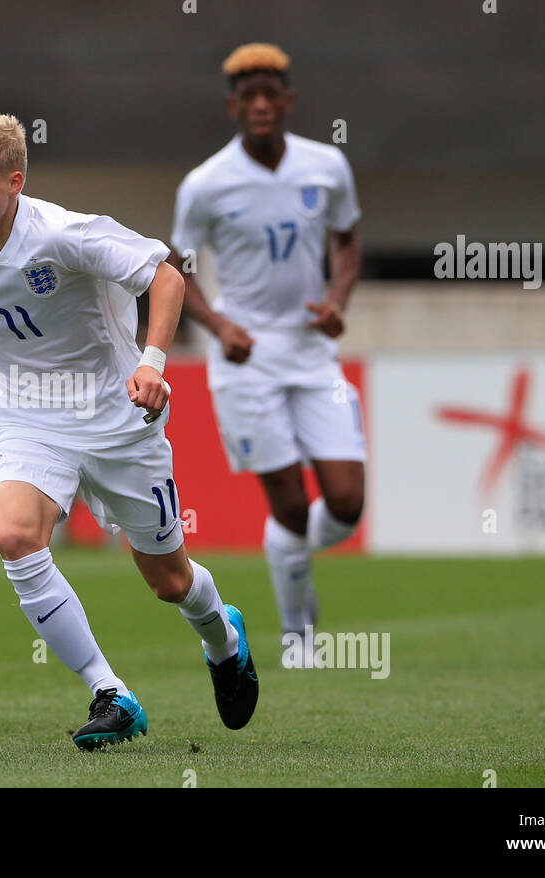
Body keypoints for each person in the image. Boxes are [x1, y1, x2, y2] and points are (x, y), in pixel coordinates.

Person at [0, 114, 259, 750]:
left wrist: (151, 365)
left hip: (120, 418)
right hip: (27, 417)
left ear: (14, 182)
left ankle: (222, 637)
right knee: (12, 533)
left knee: (169, 582)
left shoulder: (67, 234)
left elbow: (167, 276)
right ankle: (111, 694)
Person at [169, 44, 365, 666]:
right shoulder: (205, 184)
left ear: (287, 101)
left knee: (346, 503)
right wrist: (219, 325)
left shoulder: (326, 166)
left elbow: (349, 239)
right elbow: (178, 268)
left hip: (311, 351)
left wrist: (337, 298)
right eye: (247, 96)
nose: (259, 105)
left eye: (269, 94)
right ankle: (299, 635)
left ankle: (288, 558)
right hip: (246, 358)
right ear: (233, 105)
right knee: (287, 505)